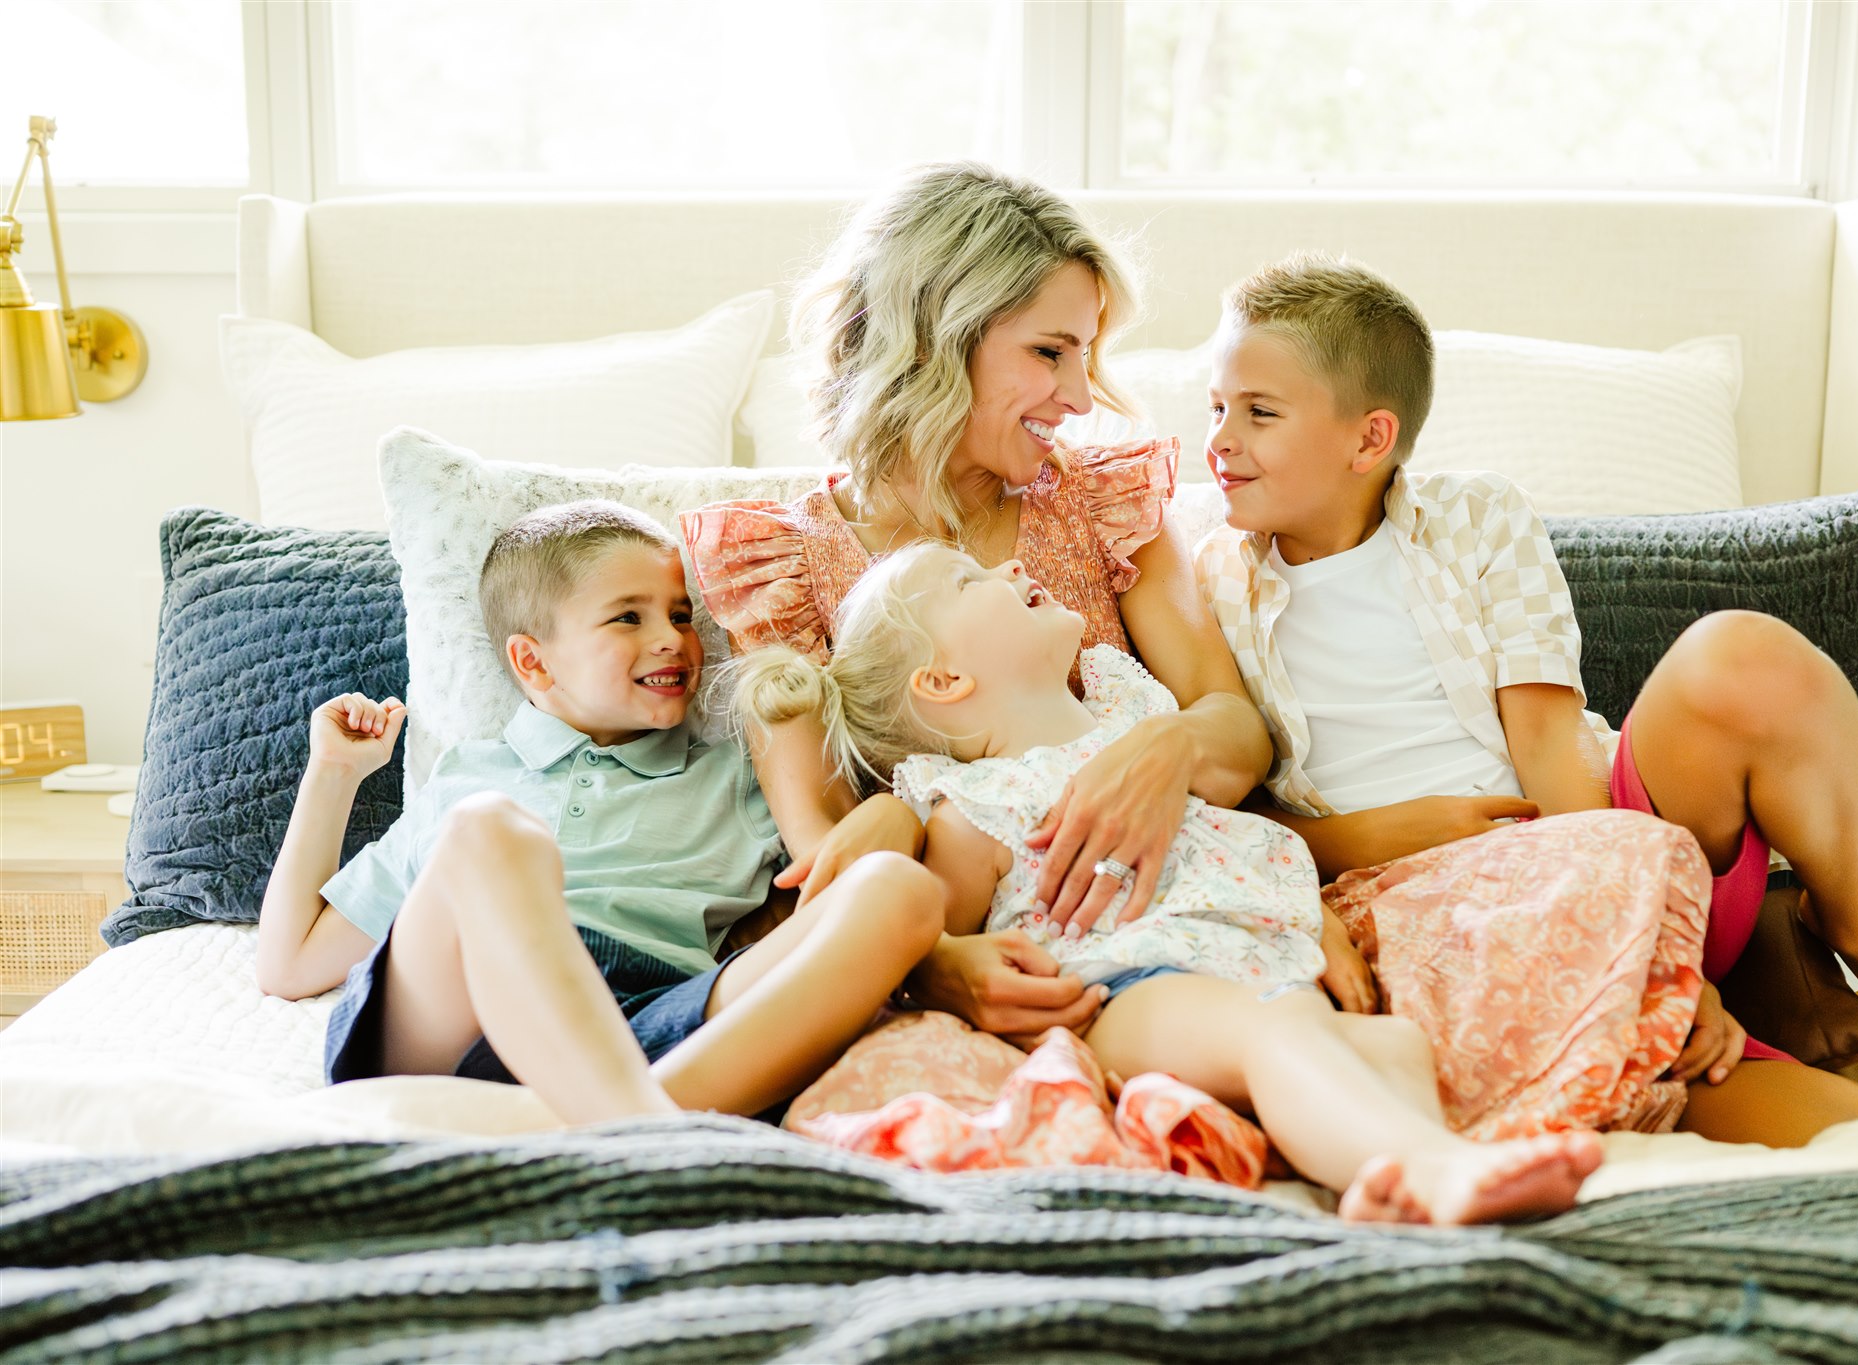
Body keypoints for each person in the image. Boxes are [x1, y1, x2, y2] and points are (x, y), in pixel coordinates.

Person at [1193, 253, 1858, 1146]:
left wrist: (1634, 924)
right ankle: (1665, 1059)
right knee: (1856, 1131)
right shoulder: (1208, 583)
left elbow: (1549, 742)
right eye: (1216, 408)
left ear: (1368, 439)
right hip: (1432, 913)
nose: (1221, 438)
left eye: (1258, 412)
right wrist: (1372, 838)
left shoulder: (1477, 519)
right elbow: (1232, 814)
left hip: (1594, 830)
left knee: (1742, 654)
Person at [724, 542, 1612, 1223]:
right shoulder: (972, 802)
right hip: (1133, 984)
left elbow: (1233, 830)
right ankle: (1434, 1167)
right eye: (968, 582)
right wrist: (959, 954)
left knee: (1393, 1047)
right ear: (945, 680)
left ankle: (1391, 1189)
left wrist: (1312, 922)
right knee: (1274, 1037)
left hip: (1263, 956)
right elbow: (929, 943)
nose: (1004, 564)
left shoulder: (1136, 711)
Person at [683, 162, 1272, 1044]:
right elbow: (826, 856)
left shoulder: (1103, 508)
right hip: (963, 962)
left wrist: (1164, 748)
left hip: (1172, 931)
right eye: (1049, 351)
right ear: (930, 341)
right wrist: (939, 970)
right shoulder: (783, 569)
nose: (1079, 397)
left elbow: (1237, 728)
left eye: (1085, 354)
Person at [256, 500, 944, 1125]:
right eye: (628, 616)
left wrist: (900, 820)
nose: (673, 637)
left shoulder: (736, 774)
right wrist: (334, 775)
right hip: (458, 1020)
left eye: (680, 613)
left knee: (901, 892)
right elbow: (290, 964)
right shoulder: (470, 777)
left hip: (651, 1020)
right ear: (534, 662)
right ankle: (641, 1129)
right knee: (489, 830)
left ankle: (596, 1120)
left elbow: (839, 857)